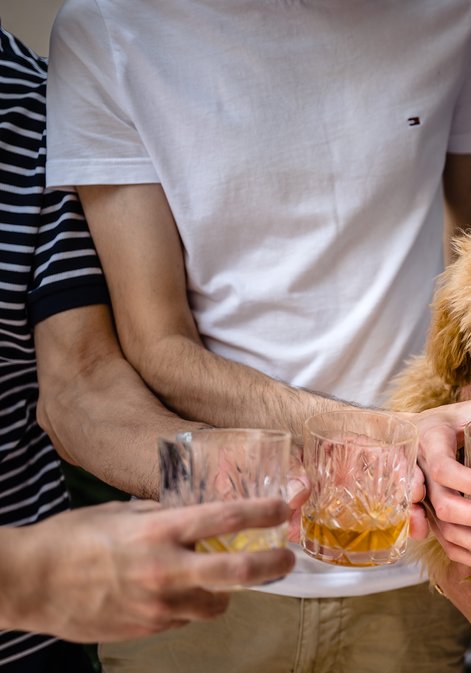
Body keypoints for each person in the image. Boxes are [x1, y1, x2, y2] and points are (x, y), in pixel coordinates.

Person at [45, 1, 471, 671]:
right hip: (205, 558)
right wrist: (381, 438)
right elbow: (158, 346)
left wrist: (470, 470)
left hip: (411, 559)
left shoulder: (460, 12)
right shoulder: (109, 26)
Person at [0, 25, 294, 672]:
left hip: (40, 648)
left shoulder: (29, 99)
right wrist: (25, 574)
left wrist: (205, 460)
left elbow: (82, 379)